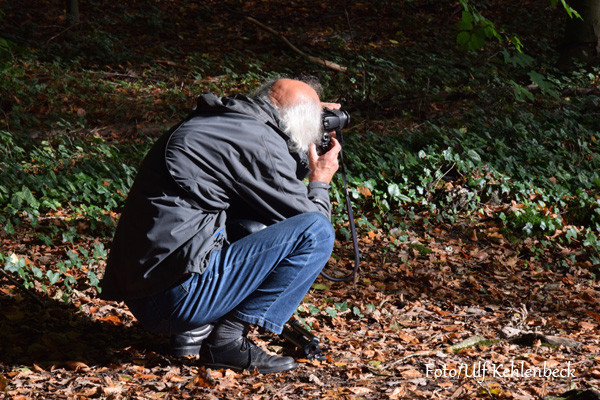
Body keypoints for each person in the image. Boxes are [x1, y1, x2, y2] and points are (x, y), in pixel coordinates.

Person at [99, 77, 342, 374]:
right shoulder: (258, 142)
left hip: (145, 292)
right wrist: (320, 182)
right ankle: (226, 342)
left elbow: (271, 187)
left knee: (251, 225)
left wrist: (308, 111)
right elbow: (313, 224)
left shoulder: (225, 122)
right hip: (173, 299)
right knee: (314, 232)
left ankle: (192, 331)